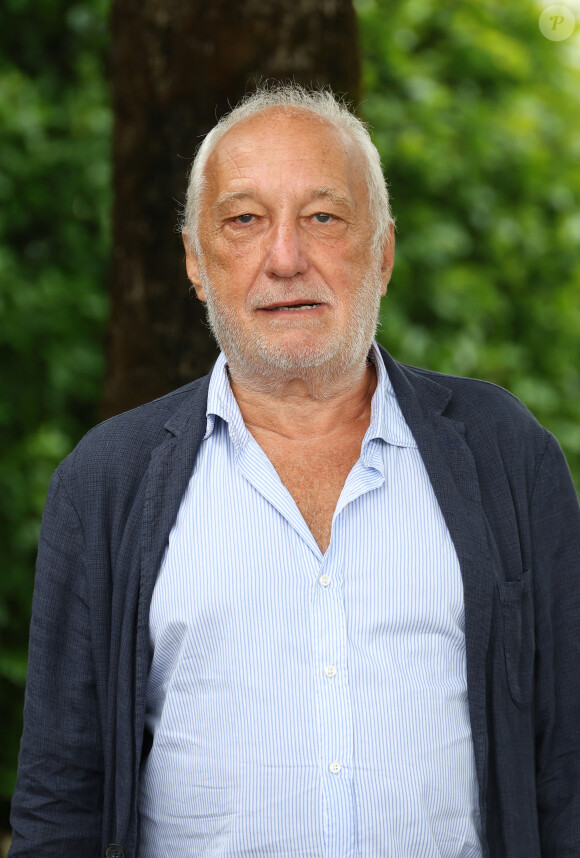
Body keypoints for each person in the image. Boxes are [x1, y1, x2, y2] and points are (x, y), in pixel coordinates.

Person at [8, 85, 580, 858]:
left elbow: (566, 766)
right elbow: (60, 801)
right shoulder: (105, 483)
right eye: (244, 220)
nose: (285, 258)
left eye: (323, 217)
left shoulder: (507, 454)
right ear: (196, 263)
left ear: (381, 252)